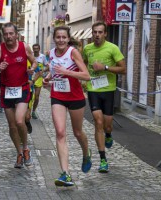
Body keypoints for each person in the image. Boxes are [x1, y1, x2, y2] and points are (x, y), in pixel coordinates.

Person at [43, 26, 92, 187]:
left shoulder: (73, 52)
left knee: (78, 132)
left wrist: (67, 72)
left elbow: (86, 76)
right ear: (54, 38)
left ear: (68, 38)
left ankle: (86, 152)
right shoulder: (51, 54)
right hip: (57, 96)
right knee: (60, 132)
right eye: (58, 37)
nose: (61, 40)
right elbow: (53, 71)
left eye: (64, 37)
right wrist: (47, 78)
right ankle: (65, 173)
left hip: (75, 97)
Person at [0, 22, 38, 168]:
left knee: (20, 121)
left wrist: (31, 70)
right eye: (6, 34)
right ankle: (19, 153)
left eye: (11, 33)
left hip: (22, 89)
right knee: (12, 126)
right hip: (7, 90)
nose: (9, 36)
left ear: (16, 34)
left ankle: (26, 148)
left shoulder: (24, 47)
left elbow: (34, 63)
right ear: (3, 36)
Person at [82, 21, 126, 173]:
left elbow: (123, 69)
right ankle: (103, 159)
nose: (97, 35)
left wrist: (105, 67)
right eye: (95, 32)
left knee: (107, 125)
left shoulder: (112, 48)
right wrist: (84, 78)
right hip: (93, 89)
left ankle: (108, 134)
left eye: (100, 32)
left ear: (105, 34)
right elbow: (84, 63)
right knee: (98, 122)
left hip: (108, 90)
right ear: (92, 33)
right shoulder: (87, 48)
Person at [31, 44, 49, 119]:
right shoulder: (30, 56)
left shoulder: (42, 57)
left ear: (39, 49)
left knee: (37, 96)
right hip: (30, 78)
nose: (35, 50)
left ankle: (33, 111)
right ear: (32, 49)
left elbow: (48, 66)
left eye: (37, 48)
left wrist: (43, 70)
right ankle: (27, 110)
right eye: (34, 48)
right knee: (30, 96)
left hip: (39, 78)